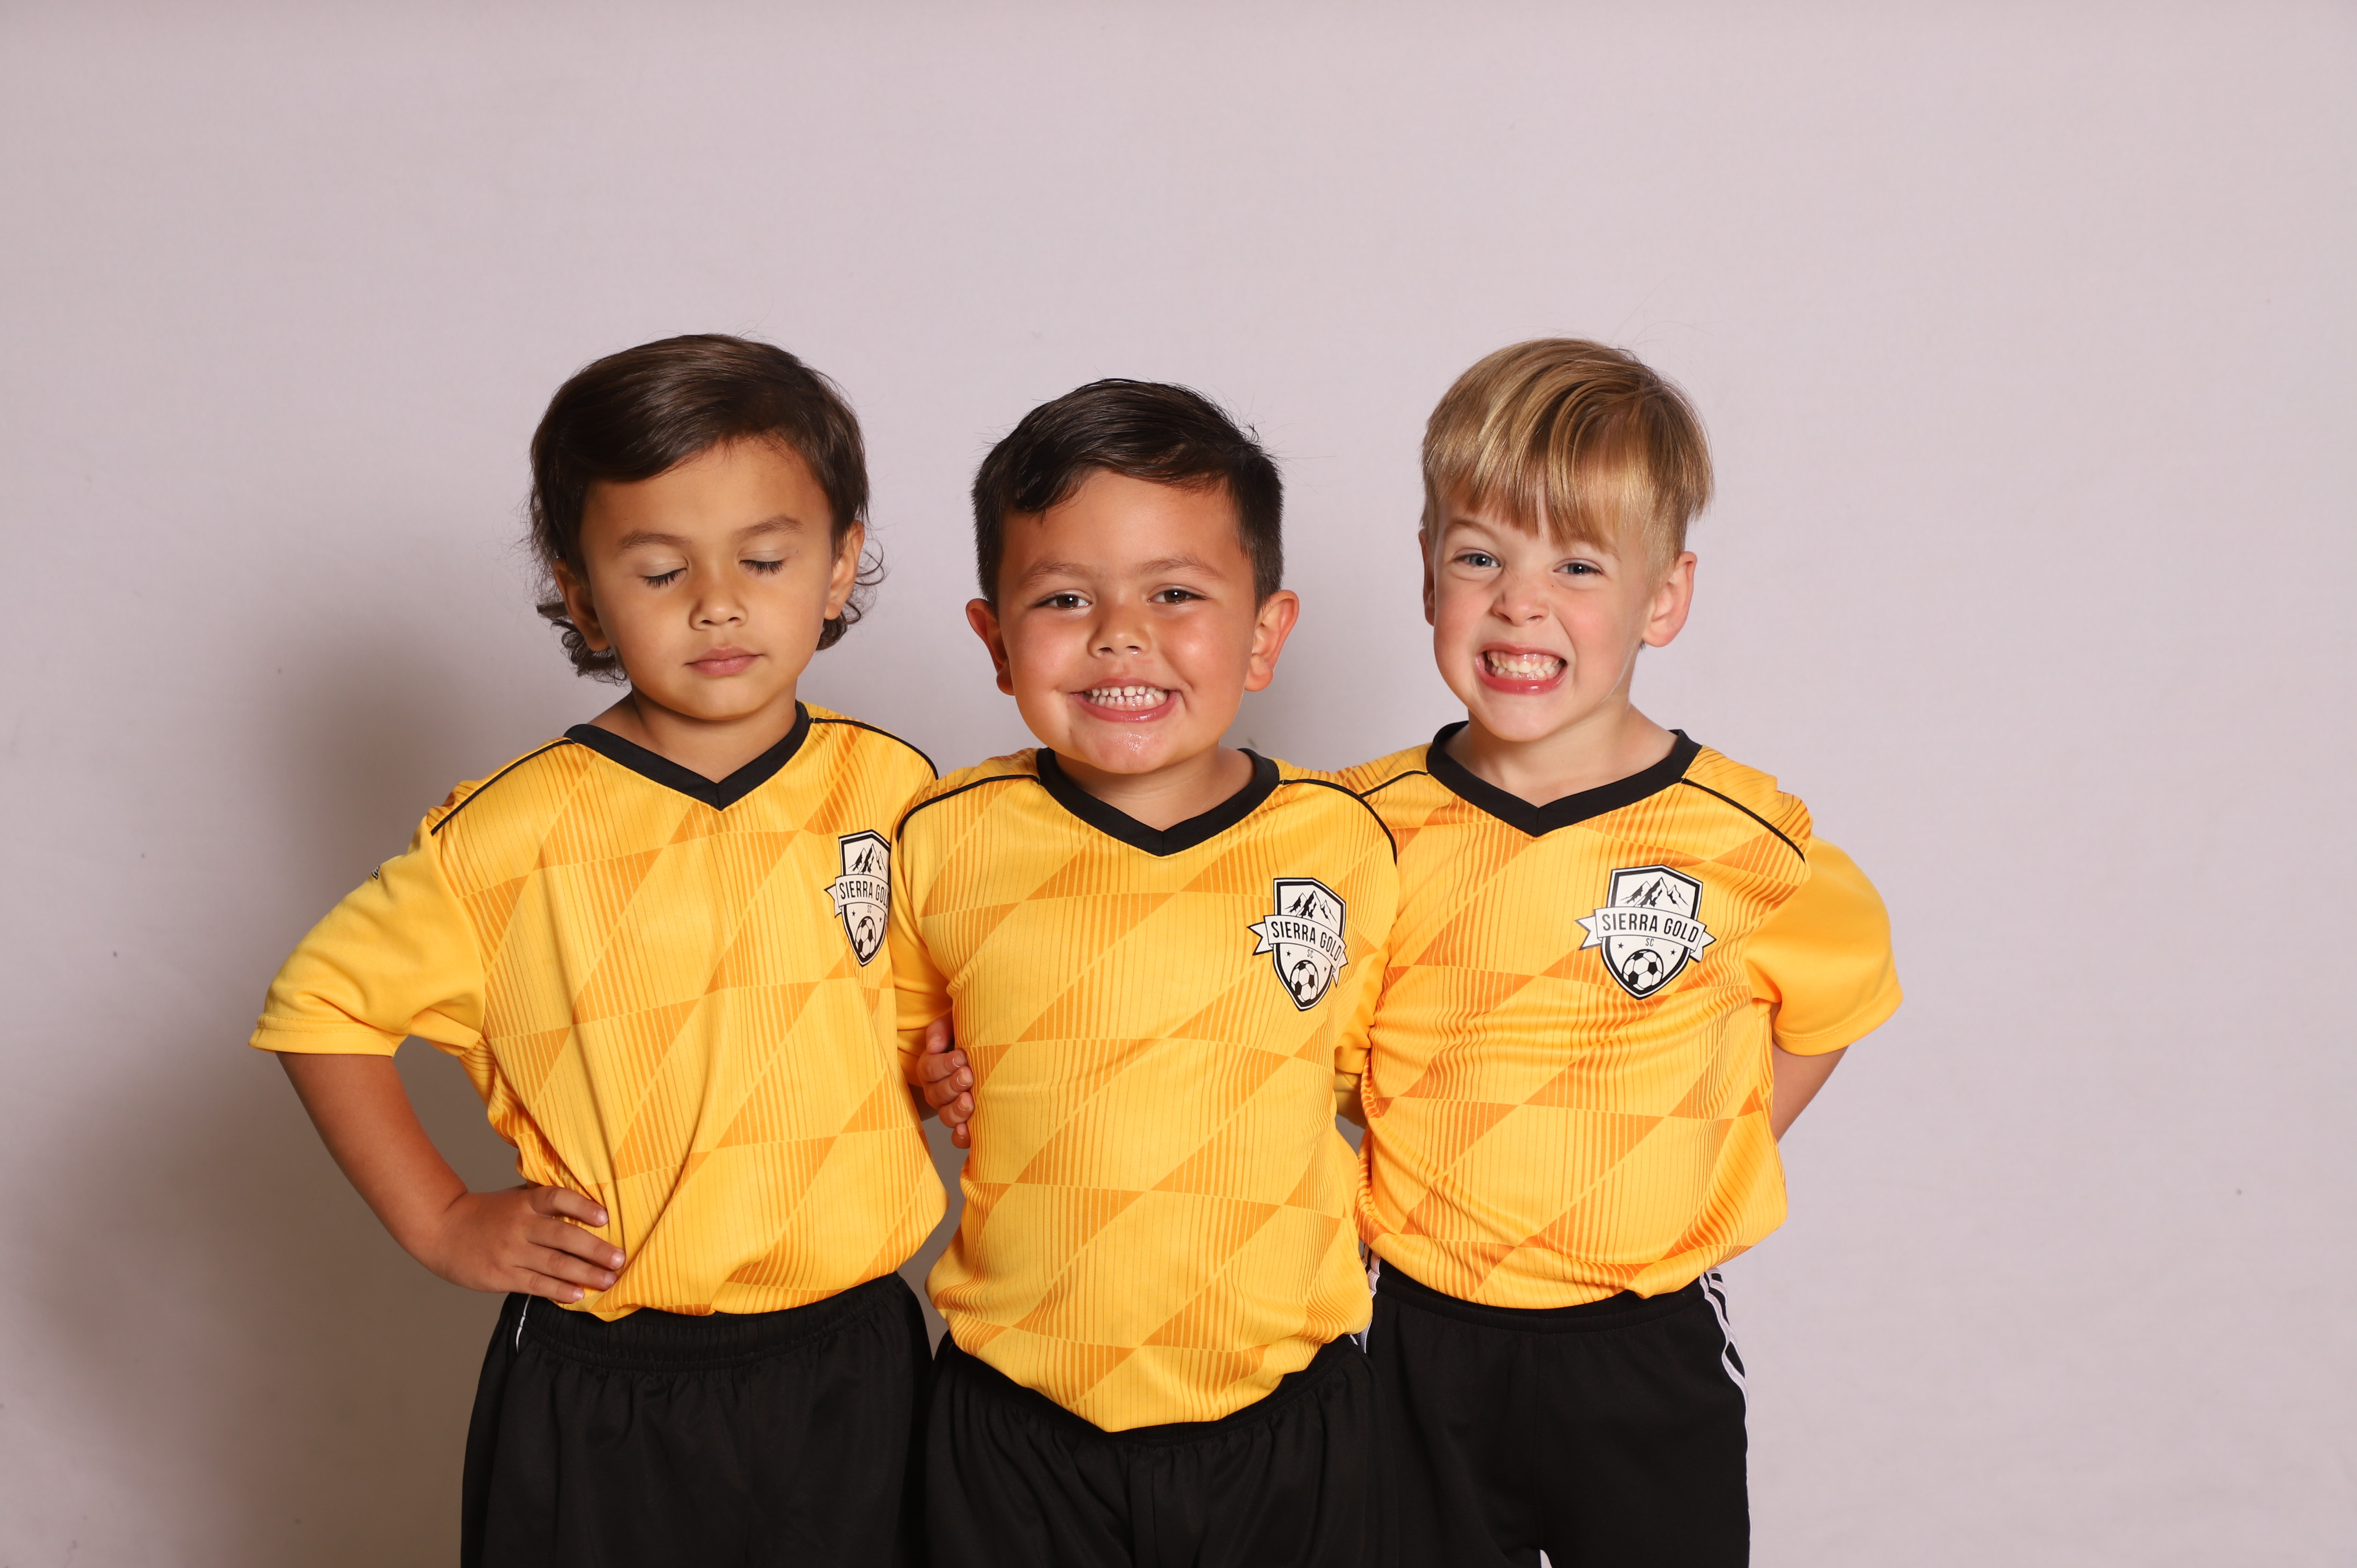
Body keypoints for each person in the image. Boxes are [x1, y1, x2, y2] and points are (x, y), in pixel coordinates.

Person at [249, 334, 946, 1567]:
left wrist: (935, 1070)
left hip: (855, 1358)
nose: (717, 602)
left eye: (764, 559)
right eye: (661, 569)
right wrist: (445, 1218)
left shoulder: (893, 788)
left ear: (839, 564)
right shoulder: (507, 835)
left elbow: (889, 1018)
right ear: (581, 595)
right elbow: (321, 1008)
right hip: (613, 1377)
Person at [1333, 339, 1903, 1567]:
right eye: (1478, 557)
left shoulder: (1747, 841)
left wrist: (1706, 1148)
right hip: (1413, 1336)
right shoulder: (1353, 829)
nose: (1519, 601)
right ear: (1427, 574)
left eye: (1577, 565)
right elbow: (1298, 1034)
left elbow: (1834, 1002)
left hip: (1640, 1344)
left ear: (1664, 597)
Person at [893, 380, 1397, 1567]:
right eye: (1065, 597)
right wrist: (925, 1075)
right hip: (1015, 1421)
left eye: (1175, 593)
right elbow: (882, 1062)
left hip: (1288, 1415)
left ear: (1265, 633)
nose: (1120, 634)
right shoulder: (943, 837)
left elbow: (1369, 1083)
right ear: (996, 640)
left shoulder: (1345, 842)